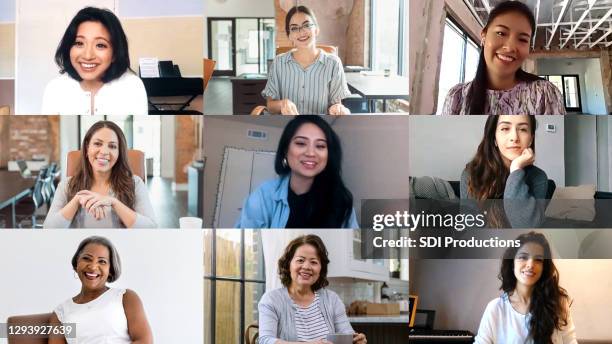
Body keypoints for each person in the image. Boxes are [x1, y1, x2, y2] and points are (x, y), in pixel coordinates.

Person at [441, 1, 565, 115]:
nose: (510, 47)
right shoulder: (457, 97)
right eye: (501, 33)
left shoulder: (544, 94)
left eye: (522, 39)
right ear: (484, 35)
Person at [236, 115, 357, 228]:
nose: (310, 153)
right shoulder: (263, 195)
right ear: (285, 150)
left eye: (320, 146)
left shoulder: (341, 199)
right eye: (301, 143)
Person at [43, 121, 156, 228]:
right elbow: (48, 228)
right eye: (97, 144)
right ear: (87, 148)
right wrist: (76, 200)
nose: (104, 152)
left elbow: (151, 227)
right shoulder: (67, 185)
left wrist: (113, 202)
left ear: (119, 152)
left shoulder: (135, 183)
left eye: (112, 146)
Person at [258, 234, 367, 344]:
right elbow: (265, 340)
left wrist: (356, 340)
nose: (306, 267)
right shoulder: (271, 299)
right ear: (288, 264)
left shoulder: (332, 300)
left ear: (321, 269)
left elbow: (346, 334)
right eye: (300, 260)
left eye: (314, 262)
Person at [42, 7, 148, 115]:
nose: (88, 56)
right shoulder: (54, 89)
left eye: (100, 45)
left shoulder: (133, 87)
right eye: (79, 43)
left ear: (115, 54)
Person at [474, 232, 577, 343]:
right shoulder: (495, 309)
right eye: (523, 257)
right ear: (512, 263)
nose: (530, 264)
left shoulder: (558, 304)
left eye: (538, 260)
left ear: (544, 267)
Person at [49, 236, 153, 344]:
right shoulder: (61, 312)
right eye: (86, 258)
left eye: (102, 261)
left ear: (110, 270)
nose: (93, 267)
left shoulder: (125, 297)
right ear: (76, 264)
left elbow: (144, 340)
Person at [262, 5, 352, 115]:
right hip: (288, 128)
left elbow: (336, 103)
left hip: (319, 127)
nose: (301, 32)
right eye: (294, 28)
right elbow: (270, 106)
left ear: (316, 30)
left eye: (307, 25)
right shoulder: (278, 63)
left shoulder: (333, 63)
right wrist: (282, 104)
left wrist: (337, 108)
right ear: (289, 36)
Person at [460, 115, 548, 228]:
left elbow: (528, 227)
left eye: (522, 129)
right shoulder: (472, 174)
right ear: (494, 139)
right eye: (505, 129)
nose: (514, 137)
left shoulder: (538, 177)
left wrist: (516, 170)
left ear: (530, 140)